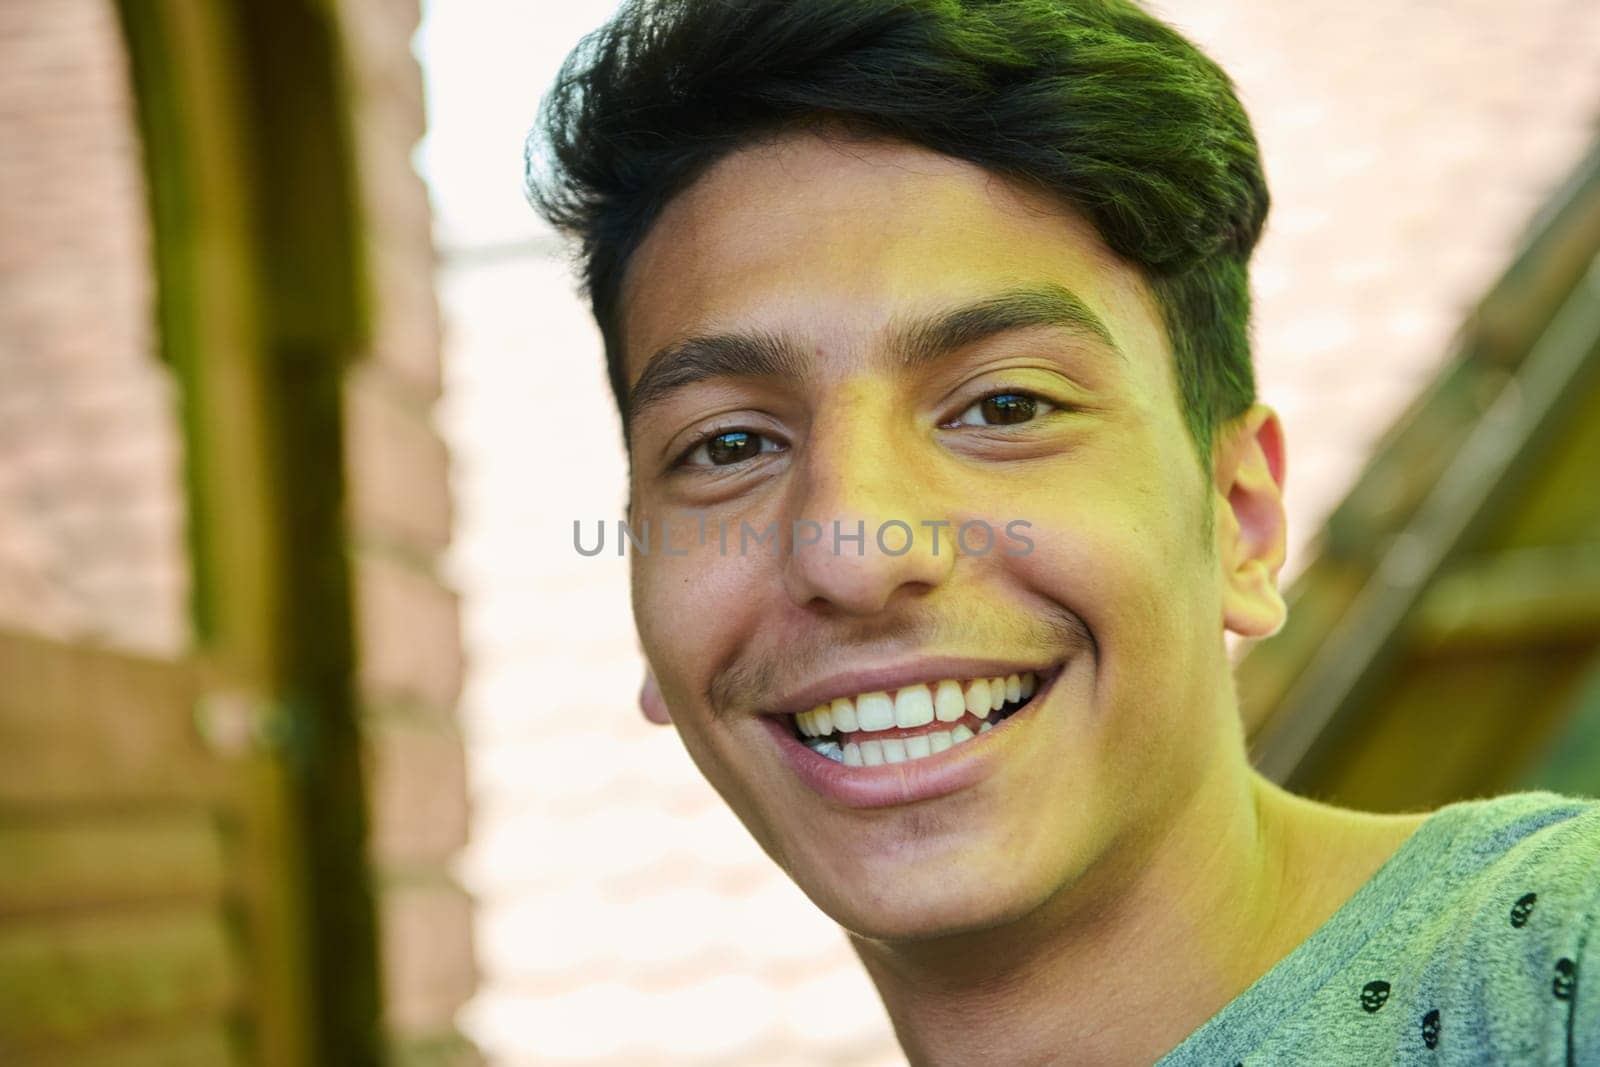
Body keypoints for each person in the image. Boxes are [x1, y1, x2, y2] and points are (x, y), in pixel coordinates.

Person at [527, 1, 1600, 1062]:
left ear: (1237, 520)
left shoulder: (1557, 959)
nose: (849, 552)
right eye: (726, 446)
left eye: (1005, 406)